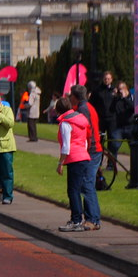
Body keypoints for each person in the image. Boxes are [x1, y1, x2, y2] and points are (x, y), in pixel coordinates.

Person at [56, 94, 93, 232]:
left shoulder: (65, 123)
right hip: (84, 156)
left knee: (73, 190)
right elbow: (84, 141)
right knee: (79, 189)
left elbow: (66, 146)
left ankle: (76, 220)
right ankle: (81, 218)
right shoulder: (80, 120)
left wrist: (60, 163)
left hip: (74, 158)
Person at [70, 84, 102, 231]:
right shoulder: (88, 107)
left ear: (75, 97)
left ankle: (92, 219)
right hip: (94, 150)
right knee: (87, 184)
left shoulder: (83, 110)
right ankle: (93, 218)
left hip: (91, 150)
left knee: (87, 184)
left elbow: (87, 131)